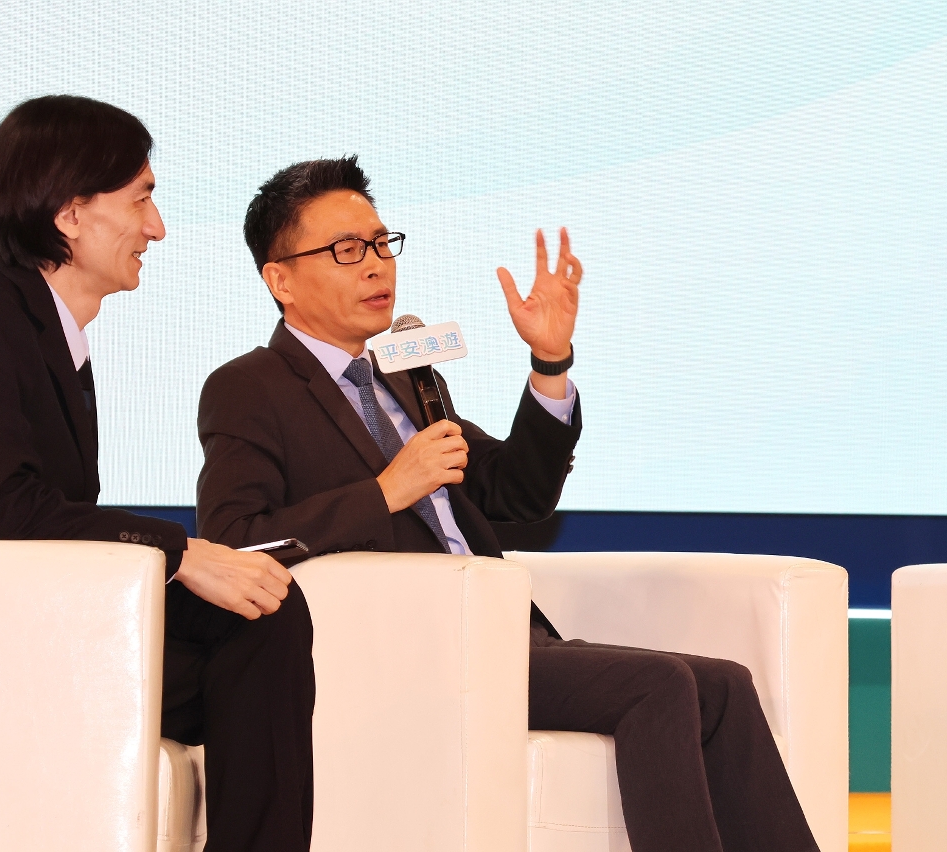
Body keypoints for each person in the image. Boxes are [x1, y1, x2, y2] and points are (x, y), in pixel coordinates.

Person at [195, 156, 820, 852]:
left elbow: (517, 494)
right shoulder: (249, 387)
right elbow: (234, 538)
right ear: (280, 279)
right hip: (409, 649)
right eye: (346, 250)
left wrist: (550, 364)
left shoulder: (403, 373)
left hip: (501, 631)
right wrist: (386, 491)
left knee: (724, 686)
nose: (375, 265)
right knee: (660, 684)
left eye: (380, 243)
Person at [0, 96, 314, 852]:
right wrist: (180, 553)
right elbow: (6, 510)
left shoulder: (50, 332)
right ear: (71, 215)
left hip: (40, 619)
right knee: (252, 632)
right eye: (141, 199)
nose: (157, 227)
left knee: (263, 614)